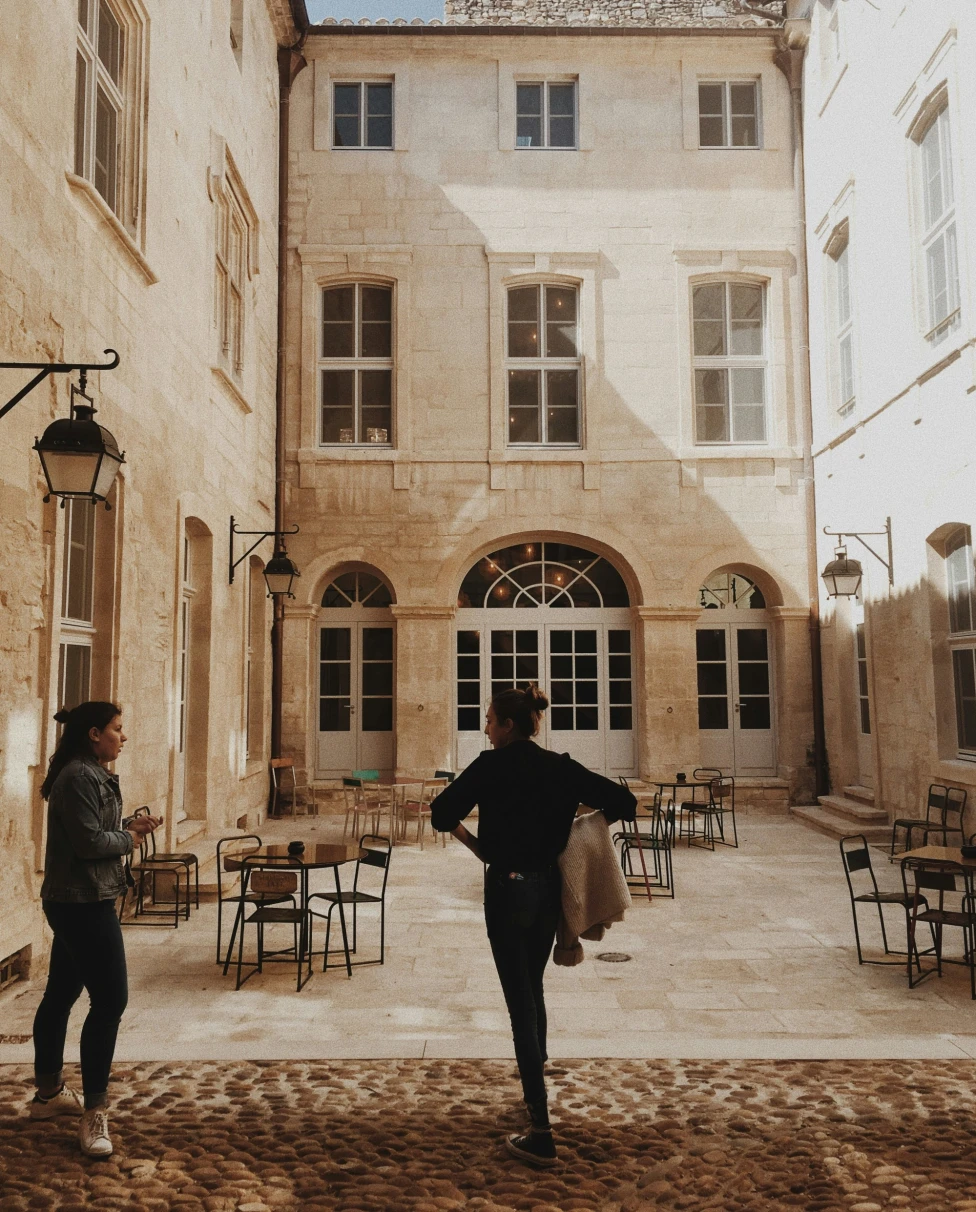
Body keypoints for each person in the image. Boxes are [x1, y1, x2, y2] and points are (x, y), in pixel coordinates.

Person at [430, 685, 636, 1168]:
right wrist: (573, 832)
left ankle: (540, 1126)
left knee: (519, 998)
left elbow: (442, 814)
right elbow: (623, 803)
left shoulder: (489, 765)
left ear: (506, 726)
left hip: (506, 891)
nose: (484, 727)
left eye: (488, 719)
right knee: (533, 986)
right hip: (546, 891)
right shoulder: (558, 767)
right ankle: (534, 1083)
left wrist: (481, 849)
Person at [30, 701, 161, 1158]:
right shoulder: (80, 776)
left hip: (76, 899)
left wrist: (126, 825)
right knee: (110, 1001)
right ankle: (94, 1114)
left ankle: (47, 1095)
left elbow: (89, 831)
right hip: (84, 903)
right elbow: (89, 845)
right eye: (117, 730)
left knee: (61, 994)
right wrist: (130, 839)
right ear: (93, 734)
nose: (123, 738)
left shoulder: (84, 773)